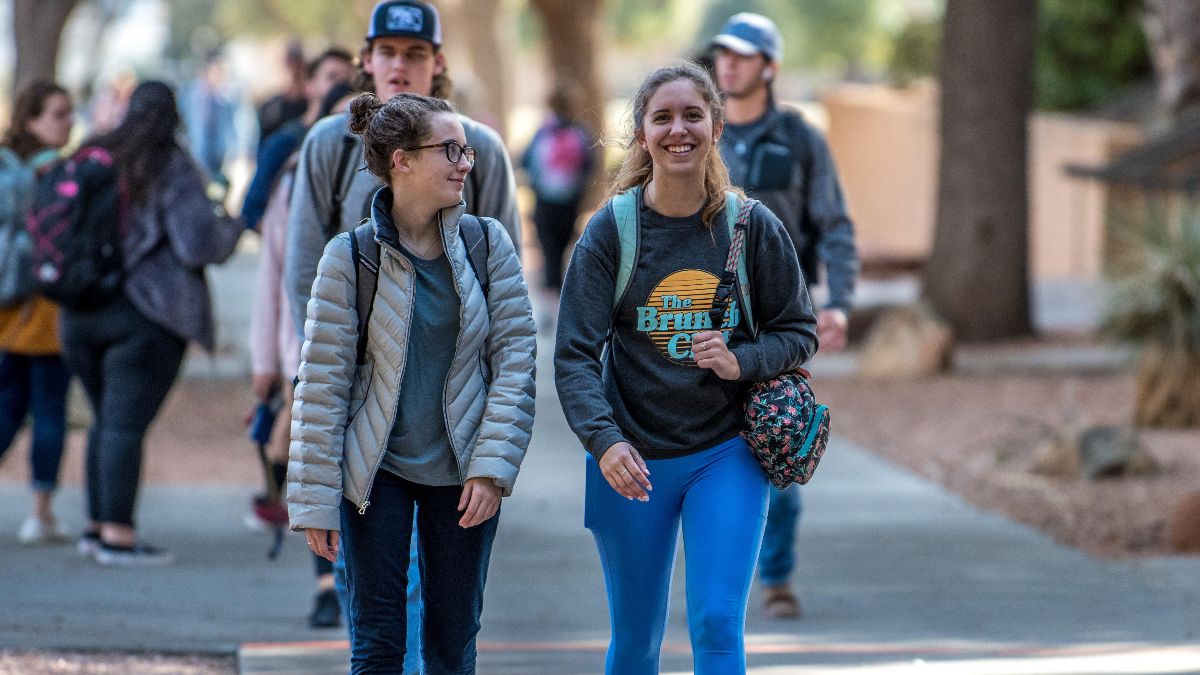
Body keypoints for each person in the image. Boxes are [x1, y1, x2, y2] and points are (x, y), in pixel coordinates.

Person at [554, 62, 819, 675]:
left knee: (718, 622)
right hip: (631, 459)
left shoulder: (751, 227)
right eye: (663, 117)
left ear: (717, 128)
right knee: (638, 638)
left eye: (693, 115)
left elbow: (798, 332)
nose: (679, 130)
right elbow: (573, 355)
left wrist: (741, 360)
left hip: (725, 451)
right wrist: (604, 440)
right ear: (642, 135)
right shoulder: (611, 234)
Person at [284, 1, 522, 667]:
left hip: (457, 440)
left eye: (415, 53)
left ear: (437, 63)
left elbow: (511, 335)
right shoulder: (330, 155)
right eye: (386, 51)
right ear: (366, 59)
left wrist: (493, 461)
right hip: (372, 440)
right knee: (379, 631)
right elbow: (314, 310)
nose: (399, 64)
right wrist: (313, 487)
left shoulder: (482, 176)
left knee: (449, 629)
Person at [710, 12, 860, 620]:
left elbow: (835, 226)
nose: (730, 64)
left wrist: (839, 302)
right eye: (723, 54)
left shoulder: (800, 139)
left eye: (744, 56)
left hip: (779, 324)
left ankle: (775, 579)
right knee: (700, 449)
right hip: (705, 319)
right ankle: (721, 583)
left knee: (779, 438)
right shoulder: (703, 133)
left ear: (769, 66)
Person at [61, 81, 243, 566]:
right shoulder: (170, 165)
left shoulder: (92, 153)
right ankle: (118, 535)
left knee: (107, 420)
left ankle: (97, 527)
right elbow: (198, 245)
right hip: (146, 314)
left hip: (77, 310)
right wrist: (234, 224)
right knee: (124, 424)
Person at [247, 80, 355, 630]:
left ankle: (352, 580)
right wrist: (265, 361)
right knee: (315, 470)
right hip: (303, 354)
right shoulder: (297, 179)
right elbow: (273, 274)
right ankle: (324, 585)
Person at [0, 81, 75, 544]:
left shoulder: (5, 168)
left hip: (7, 312)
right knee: (49, 410)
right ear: (32, 120)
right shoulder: (55, 174)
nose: (67, 122)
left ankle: (41, 513)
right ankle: (39, 512)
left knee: (7, 407)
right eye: (57, 114)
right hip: (45, 311)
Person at [241, 47, 354, 232]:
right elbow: (251, 210)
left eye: (349, 79)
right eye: (332, 77)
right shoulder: (286, 141)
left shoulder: (356, 140)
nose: (342, 86)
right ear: (310, 85)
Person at [519, 84, 595, 304]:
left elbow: (525, 161)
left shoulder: (543, 132)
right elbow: (588, 167)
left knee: (549, 251)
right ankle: (560, 294)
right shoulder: (580, 132)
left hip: (544, 202)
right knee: (563, 251)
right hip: (570, 204)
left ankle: (551, 296)